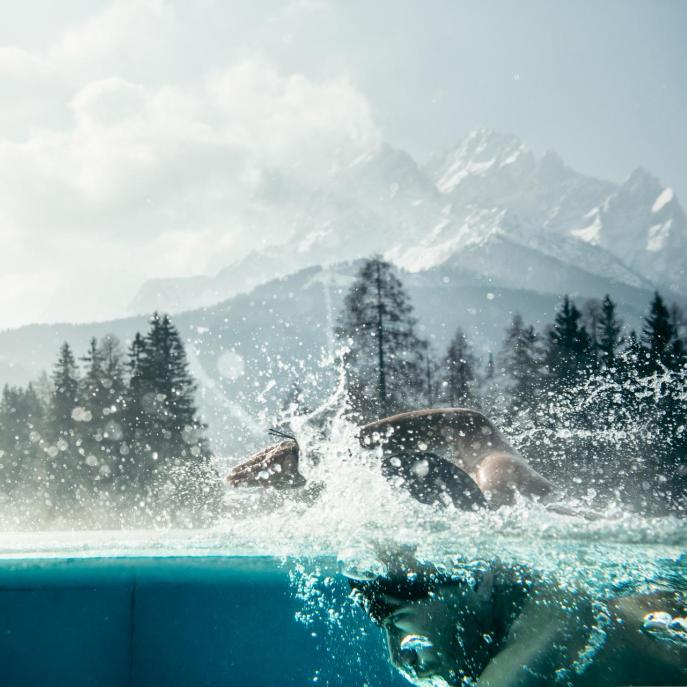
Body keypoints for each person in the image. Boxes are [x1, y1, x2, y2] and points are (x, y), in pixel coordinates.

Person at [348, 550, 687, 687]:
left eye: (398, 622)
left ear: (479, 585)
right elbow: (473, 425)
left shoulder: (530, 655)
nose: (397, 657)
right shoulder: (540, 592)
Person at [227, 408, 555, 510]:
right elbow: (466, 423)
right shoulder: (499, 493)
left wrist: (320, 458)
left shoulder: (504, 488)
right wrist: (321, 460)